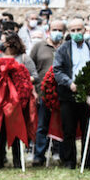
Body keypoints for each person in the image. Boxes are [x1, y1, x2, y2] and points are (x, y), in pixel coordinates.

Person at [53, 18, 90, 170]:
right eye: (72, 30)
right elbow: (57, 70)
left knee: (88, 129)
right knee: (69, 129)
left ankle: (88, 161)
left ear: (84, 30)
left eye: (78, 30)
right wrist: (69, 83)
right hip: (68, 94)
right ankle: (69, 161)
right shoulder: (63, 49)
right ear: (69, 32)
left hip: (88, 94)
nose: (76, 33)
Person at [0, 33, 39, 168]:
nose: (0, 42)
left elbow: (35, 76)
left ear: (11, 43)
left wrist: (20, 79)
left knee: (17, 129)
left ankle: (18, 160)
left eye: (3, 41)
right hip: (0, 99)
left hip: (17, 100)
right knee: (0, 130)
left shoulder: (24, 58)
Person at [31, 20, 66, 166]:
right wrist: (34, 91)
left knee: (63, 125)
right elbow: (30, 69)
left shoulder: (66, 47)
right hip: (43, 94)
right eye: (54, 29)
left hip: (63, 94)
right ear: (48, 30)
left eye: (59, 30)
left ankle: (61, 154)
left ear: (64, 33)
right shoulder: (39, 46)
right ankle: (39, 155)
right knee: (42, 126)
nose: (56, 32)